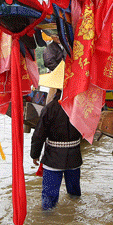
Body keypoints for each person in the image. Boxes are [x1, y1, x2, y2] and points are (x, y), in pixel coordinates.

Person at [30, 80, 83, 209]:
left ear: (57, 90)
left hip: (53, 159)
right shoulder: (80, 106)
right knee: (74, 194)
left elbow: (39, 134)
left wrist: (35, 154)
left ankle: (48, 224)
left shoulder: (49, 108)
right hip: (74, 158)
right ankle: (74, 217)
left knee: (49, 199)